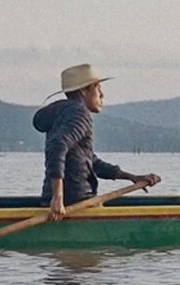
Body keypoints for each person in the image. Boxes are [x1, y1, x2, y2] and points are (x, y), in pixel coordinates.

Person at [34, 64, 160, 219]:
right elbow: (58, 145)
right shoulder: (79, 113)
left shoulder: (65, 113)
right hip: (74, 202)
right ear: (84, 91)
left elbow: (89, 161)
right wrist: (58, 197)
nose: (102, 94)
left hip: (63, 200)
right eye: (98, 88)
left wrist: (132, 177)